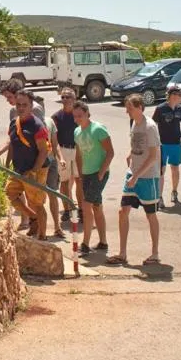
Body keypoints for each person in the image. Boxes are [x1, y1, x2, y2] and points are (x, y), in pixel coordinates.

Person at [108, 94, 161, 266]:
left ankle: (155, 254)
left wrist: (137, 176)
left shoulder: (150, 127)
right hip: (133, 173)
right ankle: (122, 253)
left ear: (139, 107)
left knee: (150, 214)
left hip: (147, 177)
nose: (127, 111)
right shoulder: (134, 124)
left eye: (129, 108)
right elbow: (137, 145)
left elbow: (153, 156)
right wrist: (131, 155)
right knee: (123, 211)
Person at [3, 89, 51, 241]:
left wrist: (34, 171)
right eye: (18, 104)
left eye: (25, 105)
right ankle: (33, 217)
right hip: (19, 169)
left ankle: (42, 236)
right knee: (9, 193)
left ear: (31, 106)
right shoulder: (13, 123)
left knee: (36, 202)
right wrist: (7, 164)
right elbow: (12, 144)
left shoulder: (37, 126)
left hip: (36, 169)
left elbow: (43, 151)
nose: (21, 108)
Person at [73, 100, 114, 254]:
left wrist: (101, 173)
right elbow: (78, 154)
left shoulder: (98, 129)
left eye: (80, 116)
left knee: (86, 205)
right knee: (97, 206)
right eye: (75, 116)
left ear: (87, 114)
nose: (77, 119)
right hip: (86, 173)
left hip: (99, 173)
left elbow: (110, 152)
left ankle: (85, 244)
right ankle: (103, 242)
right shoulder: (77, 132)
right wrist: (80, 173)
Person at [51, 87, 84, 223]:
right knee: (64, 182)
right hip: (63, 150)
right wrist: (59, 156)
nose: (65, 99)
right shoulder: (56, 117)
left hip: (78, 150)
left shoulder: (80, 114)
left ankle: (81, 210)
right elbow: (55, 140)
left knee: (79, 180)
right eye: (63, 97)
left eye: (68, 97)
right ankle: (67, 210)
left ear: (74, 98)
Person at [152, 87, 181, 207]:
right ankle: (159, 197)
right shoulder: (160, 108)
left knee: (175, 168)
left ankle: (174, 191)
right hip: (162, 144)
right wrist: (155, 140)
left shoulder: (180, 108)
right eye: (179, 95)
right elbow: (153, 124)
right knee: (161, 170)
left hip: (176, 144)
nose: (180, 97)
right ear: (172, 95)